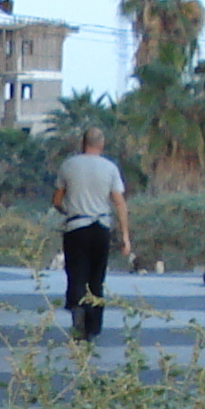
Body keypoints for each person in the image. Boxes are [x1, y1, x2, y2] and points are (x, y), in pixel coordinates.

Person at [48, 127, 129, 342]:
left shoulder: (68, 165)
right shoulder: (110, 168)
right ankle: (93, 325)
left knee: (76, 274)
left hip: (76, 228)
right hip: (101, 228)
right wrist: (125, 236)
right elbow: (119, 202)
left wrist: (67, 210)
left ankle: (77, 310)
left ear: (82, 143)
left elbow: (56, 200)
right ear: (101, 144)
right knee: (97, 277)